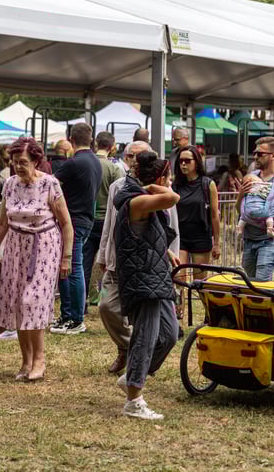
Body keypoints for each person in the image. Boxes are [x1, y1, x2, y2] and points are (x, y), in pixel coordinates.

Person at [0, 137, 73, 381]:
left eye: (23, 162)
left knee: (32, 301)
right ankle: (25, 360)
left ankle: (39, 360)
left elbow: (66, 223)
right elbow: (2, 222)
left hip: (43, 246)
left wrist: (66, 258)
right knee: (17, 303)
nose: (17, 166)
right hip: (15, 247)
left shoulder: (50, 184)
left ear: (36, 161)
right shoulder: (10, 185)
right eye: (14, 162)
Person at [97, 141, 181, 374]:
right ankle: (129, 351)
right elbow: (110, 224)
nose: (137, 159)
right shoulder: (121, 189)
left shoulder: (159, 192)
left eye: (142, 155)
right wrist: (103, 254)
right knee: (106, 306)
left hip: (152, 268)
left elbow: (166, 228)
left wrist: (168, 251)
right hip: (121, 263)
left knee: (165, 333)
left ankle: (138, 365)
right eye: (133, 155)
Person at [114, 152, 180, 420]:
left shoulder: (140, 200)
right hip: (143, 278)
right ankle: (134, 399)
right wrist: (157, 185)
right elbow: (172, 198)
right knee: (146, 336)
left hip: (154, 273)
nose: (172, 182)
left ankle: (133, 374)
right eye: (169, 177)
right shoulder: (137, 201)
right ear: (161, 178)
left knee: (169, 334)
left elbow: (143, 236)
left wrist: (164, 252)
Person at [51, 123, 102, 335]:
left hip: (73, 220)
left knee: (72, 267)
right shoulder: (95, 161)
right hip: (86, 218)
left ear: (71, 139)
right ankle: (69, 315)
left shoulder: (73, 163)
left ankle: (75, 317)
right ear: (90, 139)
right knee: (71, 267)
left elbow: (50, 185)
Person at [235, 136, 274, 281]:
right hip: (249, 238)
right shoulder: (251, 178)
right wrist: (241, 195)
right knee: (249, 282)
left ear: (273, 156)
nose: (255, 157)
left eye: (260, 154)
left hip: (269, 239)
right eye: (255, 153)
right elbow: (241, 210)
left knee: (261, 282)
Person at [172, 145, 220, 320]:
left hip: (201, 237)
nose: (183, 164)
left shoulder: (208, 184)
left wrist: (217, 243)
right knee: (178, 278)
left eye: (187, 161)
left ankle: (210, 314)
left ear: (196, 162)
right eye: (181, 161)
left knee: (200, 281)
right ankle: (177, 317)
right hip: (180, 238)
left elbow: (215, 215)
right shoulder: (175, 185)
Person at [82, 131, 125, 308]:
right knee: (106, 262)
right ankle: (101, 297)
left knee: (84, 262)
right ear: (112, 146)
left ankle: (82, 301)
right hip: (106, 220)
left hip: (87, 218)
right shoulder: (114, 168)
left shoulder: (87, 164)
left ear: (96, 143)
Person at [236, 174, 274, 238]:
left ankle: (239, 229)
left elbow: (240, 206)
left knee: (243, 218)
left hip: (247, 212)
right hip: (260, 210)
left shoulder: (246, 193)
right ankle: (269, 228)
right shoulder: (262, 188)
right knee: (269, 215)